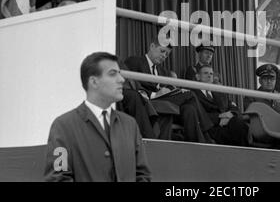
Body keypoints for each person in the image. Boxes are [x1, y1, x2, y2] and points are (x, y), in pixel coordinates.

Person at [44, 52, 151, 182]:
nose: (121, 79)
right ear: (94, 82)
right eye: (113, 74)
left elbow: (142, 175)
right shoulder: (63, 126)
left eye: (119, 73)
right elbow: (58, 178)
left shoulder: (130, 125)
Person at [124, 36, 213, 143]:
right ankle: (207, 132)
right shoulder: (135, 61)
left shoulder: (164, 71)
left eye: (166, 54)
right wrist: (154, 94)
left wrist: (173, 90)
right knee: (190, 94)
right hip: (146, 101)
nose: (164, 56)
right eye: (162, 51)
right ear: (152, 46)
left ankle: (197, 144)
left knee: (189, 108)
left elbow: (170, 86)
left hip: (164, 102)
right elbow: (132, 84)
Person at [192, 65, 249, 146]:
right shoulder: (193, 93)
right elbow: (198, 114)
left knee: (240, 124)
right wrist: (220, 118)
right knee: (239, 127)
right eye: (205, 73)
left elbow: (234, 107)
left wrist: (231, 114)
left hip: (228, 124)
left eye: (211, 74)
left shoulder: (219, 93)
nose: (209, 76)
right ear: (197, 77)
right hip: (210, 128)